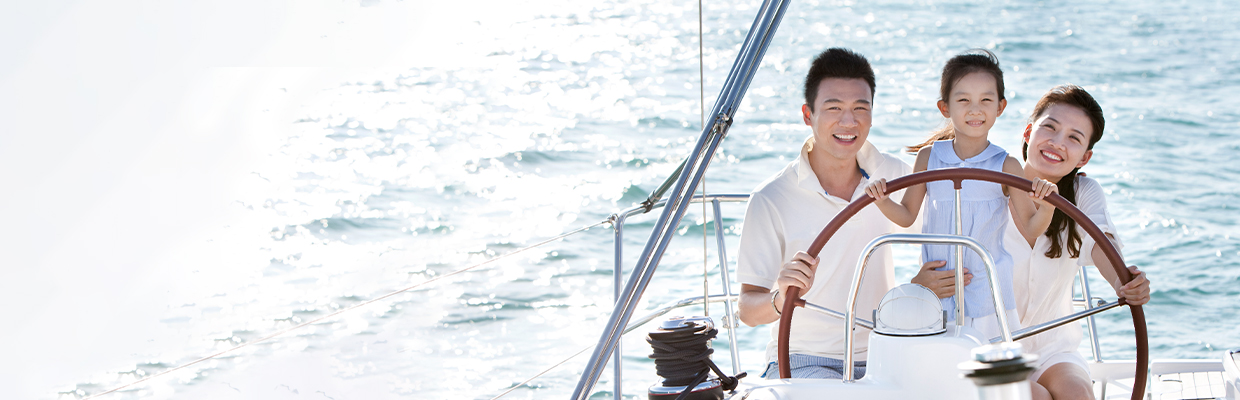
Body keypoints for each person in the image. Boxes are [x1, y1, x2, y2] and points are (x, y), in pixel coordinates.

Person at [735, 48, 912, 379]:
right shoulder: (771, 198)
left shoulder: (894, 172)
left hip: (885, 354)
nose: (849, 122)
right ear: (808, 114)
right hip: (803, 359)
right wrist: (779, 298)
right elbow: (747, 309)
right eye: (834, 109)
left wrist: (922, 284)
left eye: (861, 108)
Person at [863, 50, 1057, 339]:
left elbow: (1031, 228)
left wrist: (1047, 205)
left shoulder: (1006, 165)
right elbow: (906, 216)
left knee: (990, 375)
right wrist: (882, 200)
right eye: (964, 100)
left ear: (1000, 107)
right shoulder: (929, 158)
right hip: (938, 289)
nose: (975, 109)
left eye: (986, 100)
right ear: (945, 107)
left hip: (988, 293)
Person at [1001, 84, 1151, 400]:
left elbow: (1101, 244)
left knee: (1077, 394)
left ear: (1085, 156)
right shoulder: (989, 183)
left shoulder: (1084, 193)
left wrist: (1123, 282)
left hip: (1052, 348)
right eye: (1050, 128)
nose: (1057, 143)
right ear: (1028, 132)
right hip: (988, 346)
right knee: (1033, 396)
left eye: (1073, 137)